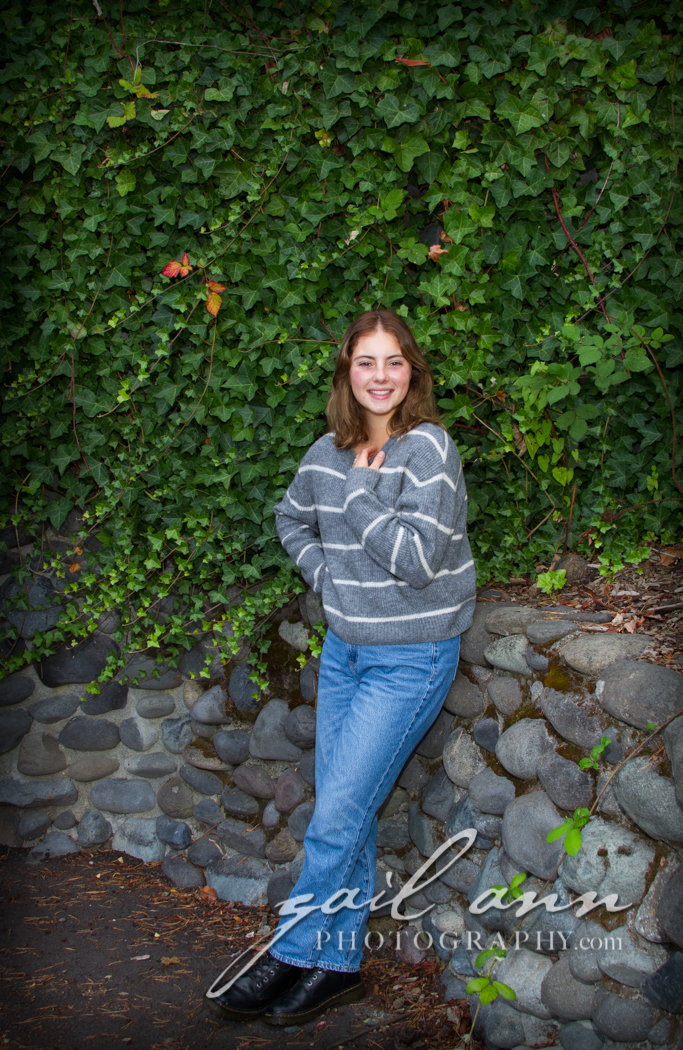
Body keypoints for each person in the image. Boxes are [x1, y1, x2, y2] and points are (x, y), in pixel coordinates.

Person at [206, 309, 476, 1026]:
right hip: (346, 653)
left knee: (336, 817)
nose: (380, 377)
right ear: (347, 373)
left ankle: (289, 951)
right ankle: (337, 967)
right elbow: (291, 517)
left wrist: (359, 495)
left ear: (412, 370)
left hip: (410, 657)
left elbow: (416, 561)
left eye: (393, 362)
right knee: (343, 811)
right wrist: (327, 578)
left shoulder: (429, 450)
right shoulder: (327, 451)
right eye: (366, 362)